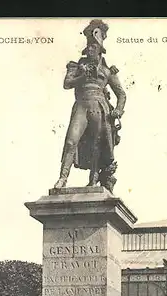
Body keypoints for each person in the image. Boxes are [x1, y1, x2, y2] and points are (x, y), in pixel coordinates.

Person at [53, 19, 126, 192]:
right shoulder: (77, 66)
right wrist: (83, 76)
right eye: (89, 47)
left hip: (100, 108)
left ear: (100, 49)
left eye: (94, 47)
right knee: (71, 141)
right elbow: (67, 83)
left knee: (97, 145)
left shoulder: (108, 71)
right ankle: (62, 179)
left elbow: (121, 94)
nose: (91, 49)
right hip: (81, 106)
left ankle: (93, 181)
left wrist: (118, 110)